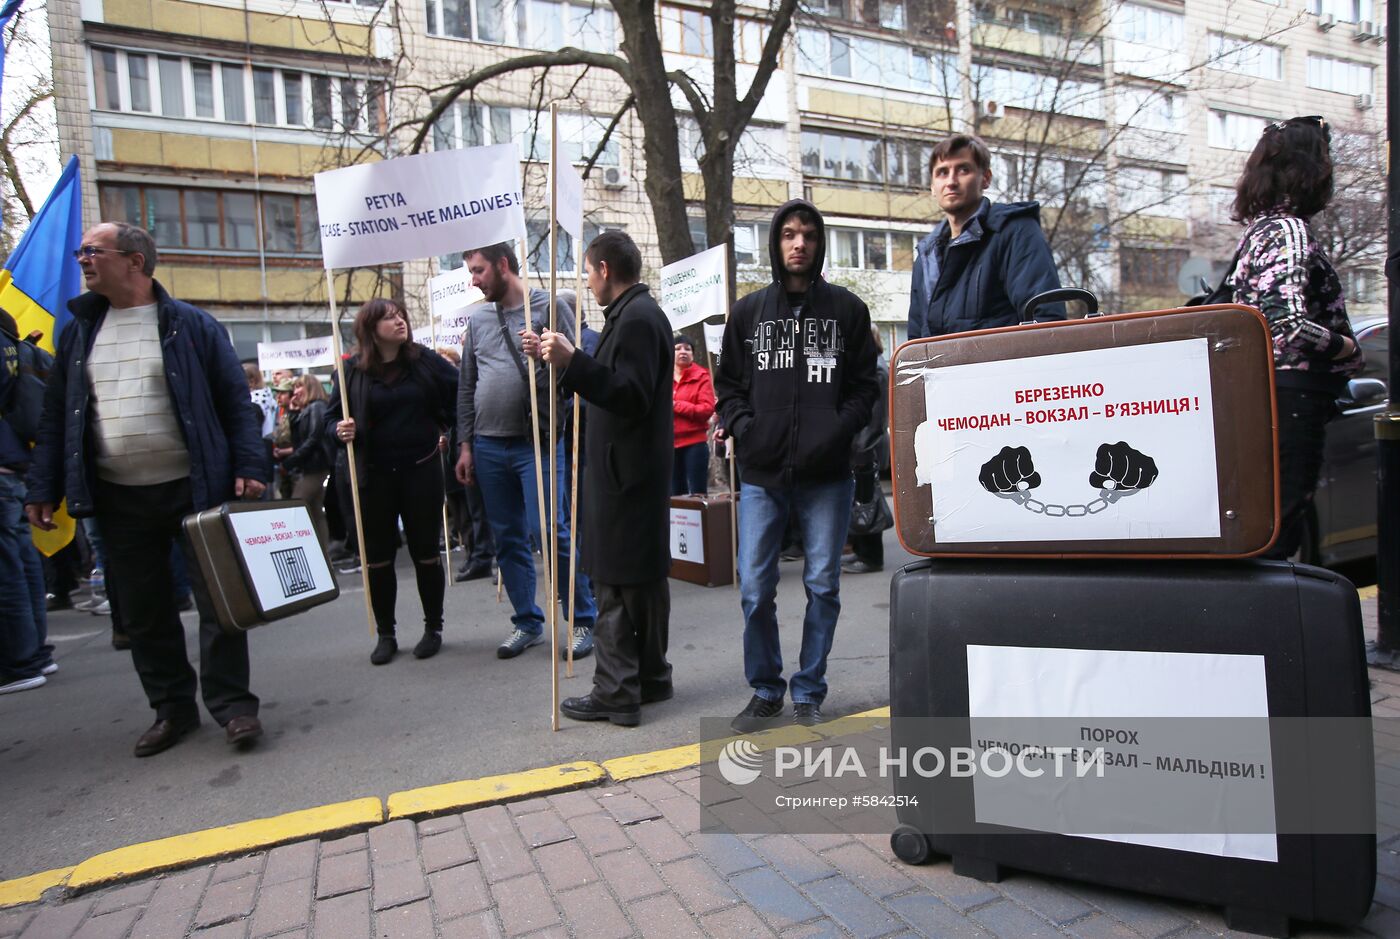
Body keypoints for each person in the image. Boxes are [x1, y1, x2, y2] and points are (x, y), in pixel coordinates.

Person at [25, 222, 267, 756]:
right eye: (81, 251)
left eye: (93, 251)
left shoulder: (191, 326)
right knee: (142, 611)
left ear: (135, 261)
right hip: (117, 497)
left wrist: (251, 464)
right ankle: (172, 710)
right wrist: (43, 487)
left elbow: (234, 402)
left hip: (194, 488)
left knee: (220, 603)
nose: (82, 260)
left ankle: (233, 708)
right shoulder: (79, 333)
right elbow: (57, 415)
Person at [715, 200, 879, 731]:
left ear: (820, 242)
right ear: (775, 243)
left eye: (808, 234)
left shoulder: (848, 312)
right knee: (755, 587)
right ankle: (765, 688)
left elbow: (864, 387)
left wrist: (836, 428)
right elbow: (729, 387)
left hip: (827, 476)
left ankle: (808, 689)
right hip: (763, 476)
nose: (798, 243)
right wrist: (748, 429)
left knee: (823, 585)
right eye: (788, 234)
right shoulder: (747, 314)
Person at [525, 230, 673, 726]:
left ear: (606, 270)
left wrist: (573, 362)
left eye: (588, 271)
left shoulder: (635, 319)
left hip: (624, 476)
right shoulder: (635, 315)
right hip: (631, 473)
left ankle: (616, 691)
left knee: (615, 583)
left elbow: (629, 395)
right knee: (640, 582)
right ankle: (649, 677)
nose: (587, 282)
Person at [1224, 116, 1363, 559]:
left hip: (1266, 394)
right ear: (1312, 172)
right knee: (1280, 531)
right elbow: (1286, 322)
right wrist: (1346, 346)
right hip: (1294, 396)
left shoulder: (1260, 231)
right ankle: (1266, 625)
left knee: (1268, 528)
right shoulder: (1289, 231)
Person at [454, 242, 598, 660]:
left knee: (551, 531)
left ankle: (583, 618)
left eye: (479, 270)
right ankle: (527, 622)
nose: (474, 280)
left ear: (502, 266)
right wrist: (465, 445)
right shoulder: (478, 319)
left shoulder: (551, 306)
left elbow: (580, 373)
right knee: (508, 539)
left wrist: (546, 356)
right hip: (487, 443)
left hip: (537, 441)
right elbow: (467, 385)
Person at [329, 299, 458, 665]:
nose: (399, 320)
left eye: (400, 314)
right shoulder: (352, 370)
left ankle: (433, 627)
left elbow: (459, 390)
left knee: (426, 554)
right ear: (370, 328)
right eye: (389, 317)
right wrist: (340, 430)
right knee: (378, 559)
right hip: (373, 477)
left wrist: (446, 425)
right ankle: (386, 633)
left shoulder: (424, 360)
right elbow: (329, 420)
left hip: (421, 470)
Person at [907, 133, 1065, 340]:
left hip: (1004, 370)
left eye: (963, 170)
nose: (951, 181)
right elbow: (916, 341)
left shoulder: (1014, 232)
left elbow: (1046, 322)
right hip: (943, 372)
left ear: (986, 178)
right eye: (942, 173)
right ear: (932, 187)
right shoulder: (927, 258)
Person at [0, 310, 55, 694]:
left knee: (8, 568)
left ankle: (20, 661)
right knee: (21, 560)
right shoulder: (17, 348)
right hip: (14, 460)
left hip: (4, 464)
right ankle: (35, 653)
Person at [843, 327, 891, 574]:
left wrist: (861, 446)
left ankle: (872, 558)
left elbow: (874, 416)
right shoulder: (872, 365)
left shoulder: (876, 370)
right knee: (862, 498)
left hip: (868, 444)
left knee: (868, 500)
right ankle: (863, 551)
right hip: (865, 442)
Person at [283, 374, 331, 548]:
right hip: (311, 465)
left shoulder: (317, 407)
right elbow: (299, 438)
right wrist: (294, 411)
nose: (295, 391)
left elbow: (314, 437)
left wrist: (292, 460)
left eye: (299, 386)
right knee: (315, 510)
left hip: (315, 466)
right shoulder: (309, 409)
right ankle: (322, 553)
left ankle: (314, 550)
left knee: (297, 505)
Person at [671, 335, 715, 495]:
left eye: (687, 349)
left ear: (693, 354)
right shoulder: (662, 376)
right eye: (677, 348)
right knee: (674, 495)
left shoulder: (702, 376)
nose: (683, 351)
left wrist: (676, 405)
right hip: (669, 444)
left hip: (694, 444)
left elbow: (706, 410)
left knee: (697, 494)